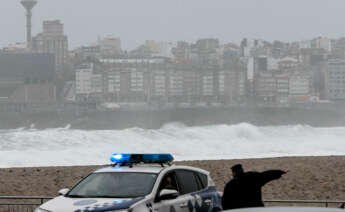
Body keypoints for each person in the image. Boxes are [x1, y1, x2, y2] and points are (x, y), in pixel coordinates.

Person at [222, 164, 287, 210]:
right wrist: (279, 172)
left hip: (241, 209)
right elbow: (266, 175)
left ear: (234, 173)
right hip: (257, 208)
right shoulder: (253, 176)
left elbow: (225, 201)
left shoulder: (230, 184)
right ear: (242, 170)